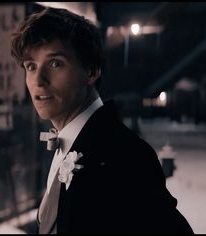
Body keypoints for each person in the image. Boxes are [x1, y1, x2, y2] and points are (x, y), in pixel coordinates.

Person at [10, 7, 194, 234]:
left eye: (55, 63)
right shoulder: (69, 142)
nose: (39, 80)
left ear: (92, 71)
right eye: (31, 66)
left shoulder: (125, 154)